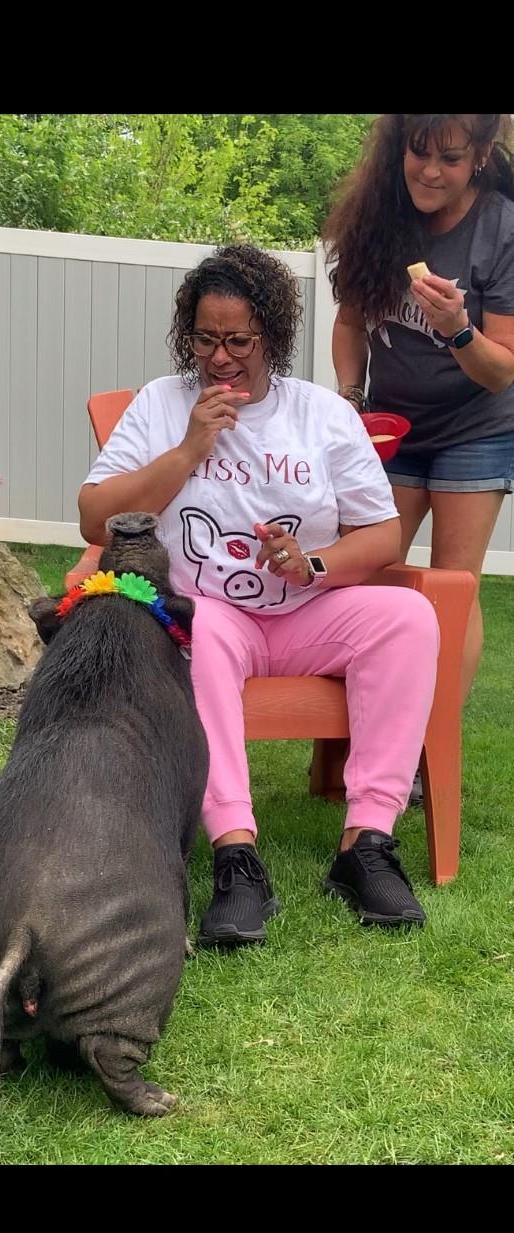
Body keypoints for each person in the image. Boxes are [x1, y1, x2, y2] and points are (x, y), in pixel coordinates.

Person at [78, 243, 439, 947]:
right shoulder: (161, 404)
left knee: (407, 616)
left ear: (270, 336)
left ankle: (365, 846)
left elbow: (382, 535)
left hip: (306, 611)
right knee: (200, 626)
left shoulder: (319, 416)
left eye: (238, 340)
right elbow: (96, 517)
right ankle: (236, 857)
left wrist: (309, 561)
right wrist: (186, 450)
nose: (219, 357)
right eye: (206, 340)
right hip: (211, 613)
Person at [323, 114, 514, 720]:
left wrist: (459, 330)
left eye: (451, 159)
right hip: (392, 428)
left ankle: (432, 746)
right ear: (398, 147)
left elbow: (501, 370)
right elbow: (350, 324)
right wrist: (352, 399)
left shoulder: (502, 230)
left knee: (453, 590)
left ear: (481, 155)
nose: (430, 171)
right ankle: (355, 738)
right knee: (370, 577)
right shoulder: (379, 216)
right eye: (419, 152)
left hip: (476, 431)